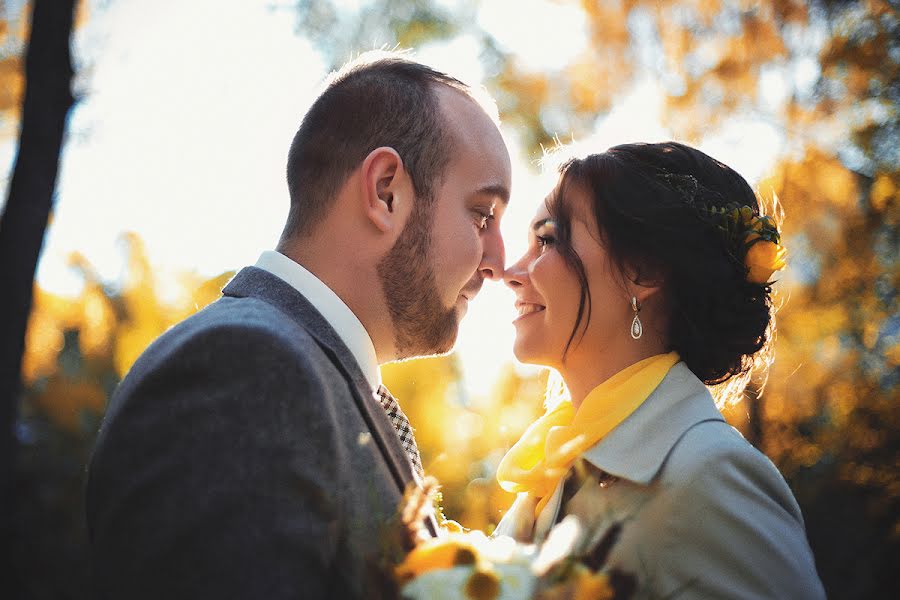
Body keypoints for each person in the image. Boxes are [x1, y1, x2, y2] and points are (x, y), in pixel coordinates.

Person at [85, 51, 511, 599]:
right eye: (482, 214)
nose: (498, 260)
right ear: (386, 191)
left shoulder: (315, 378)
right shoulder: (246, 370)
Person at [494, 142, 824, 598]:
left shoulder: (710, 476)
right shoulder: (548, 475)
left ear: (642, 271)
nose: (511, 271)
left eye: (548, 239)